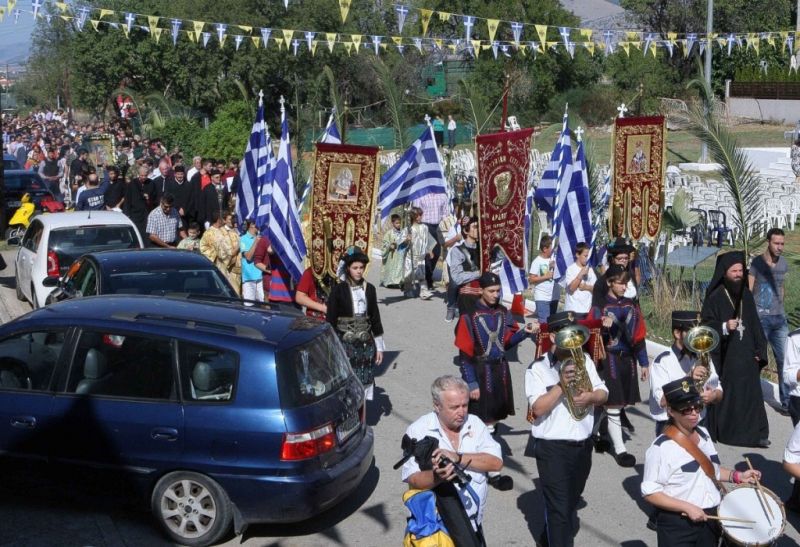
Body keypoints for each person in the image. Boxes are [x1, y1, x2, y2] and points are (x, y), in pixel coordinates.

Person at [641, 378, 762, 547]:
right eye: (686, 410)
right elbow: (650, 492)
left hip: (710, 520)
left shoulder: (704, 434)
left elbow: (711, 470)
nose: (694, 413)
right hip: (678, 524)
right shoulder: (661, 448)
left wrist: (737, 476)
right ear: (671, 411)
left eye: (697, 407)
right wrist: (687, 507)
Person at [526, 311, 609, 547]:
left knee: (568, 505)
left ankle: (548, 536)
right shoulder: (538, 368)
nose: (573, 341)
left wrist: (592, 396)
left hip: (582, 446)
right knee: (560, 511)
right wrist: (562, 384)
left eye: (575, 334)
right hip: (553, 449)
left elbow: (604, 393)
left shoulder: (585, 361)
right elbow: (538, 409)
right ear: (552, 337)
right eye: (566, 335)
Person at [401, 375, 503, 546]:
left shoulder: (475, 424)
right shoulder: (418, 430)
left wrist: (459, 458)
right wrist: (437, 477)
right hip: (439, 530)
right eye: (454, 407)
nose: (462, 412)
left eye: (465, 405)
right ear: (437, 406)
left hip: (473, 525)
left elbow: (496, 463)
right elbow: (412, 479)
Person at [701, 251, 769, 447]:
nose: (739, 274)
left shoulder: (745, 294)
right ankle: (730, 434)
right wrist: (723, 326)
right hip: (727, 355)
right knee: (732, 395)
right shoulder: (715, 297)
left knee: (751, 395)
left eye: (741, 270)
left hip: (747, 355)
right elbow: (705, 327)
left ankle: (757, 435)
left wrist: (760, 351)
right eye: (734, 271)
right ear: (724, 273)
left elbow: (755, 324)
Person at [454, 271, 538, 431]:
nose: (496, 294)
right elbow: (464, 355)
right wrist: (471, 383)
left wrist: (524, 332)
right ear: (481, 291)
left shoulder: (503, 312)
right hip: (479, 373)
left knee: (494, 421)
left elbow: (505, 344)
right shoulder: (468, 316)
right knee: (478, 422)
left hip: (500, 371)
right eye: (491, 291)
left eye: (498, 290)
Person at [589, 265, 649, 467]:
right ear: (609, 283)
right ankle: (621, 450)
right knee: (613, 404)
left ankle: (592, 434)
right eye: (621, 283)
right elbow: (591, 339)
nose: (625, 287)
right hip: (609, 360)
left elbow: (639, 337)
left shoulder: (632, 307)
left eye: (627, 283)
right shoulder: (599, 308)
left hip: (628, 360)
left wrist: (644, 363)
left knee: (613, 403)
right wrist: (601, 328)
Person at [650, 311, 723, 436]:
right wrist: (689, 378)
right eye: (692, 333)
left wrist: (713, 396)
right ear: (677, 333)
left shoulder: (703, 357)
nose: (698, 338)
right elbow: (662, 402)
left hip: (699, 422)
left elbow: (719, 391)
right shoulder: (662, 361)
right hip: (671, 425)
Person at [326, 247, 384, 400]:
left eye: (361, 268)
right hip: (345, 342)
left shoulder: (370, 289)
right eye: (355, 268)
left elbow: (375, 317)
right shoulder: (338, 290)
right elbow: (331, 318)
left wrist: (379, 346)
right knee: (345, 379)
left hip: (365, 344)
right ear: (348, 269)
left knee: (364, 379)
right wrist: (330, 345)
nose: (359, 271)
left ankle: (362, 417)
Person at [749, 227, 789, 414]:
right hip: (760, 319)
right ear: (768, 242)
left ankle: (787, 402)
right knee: (757, 359)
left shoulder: (783, 264)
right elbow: (749, 290)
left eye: (782, 243)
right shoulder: (757, 263)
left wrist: (780, 307)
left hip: (779, 320)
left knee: (785, 360)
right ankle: (751, 396)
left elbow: (781, 287)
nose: (780, 247)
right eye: (776, 243)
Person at [411, 192, 449, 295]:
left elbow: (446, 213)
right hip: (424, 225)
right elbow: (415, 211)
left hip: (438, 227)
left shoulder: (443, 195)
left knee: (436, 253)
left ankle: (428, 275)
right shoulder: (421, 194)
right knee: (427, 254)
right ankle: (427, 280)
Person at [447, 216, 481, 316]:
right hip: (468, 289)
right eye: (475, 227)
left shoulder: (484, 248)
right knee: (453, 283)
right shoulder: (457, 250)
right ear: (466, 231)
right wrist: (479, 273)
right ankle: (451, 306)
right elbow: (458, 278)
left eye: (479, 226)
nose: (478, 229)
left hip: (482, 289)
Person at [591, 238, 637, 308]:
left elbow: (636, 304)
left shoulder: (631, 276)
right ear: (613, 259)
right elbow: (597, 309)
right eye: (620, 258)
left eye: (626, 258)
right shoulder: (603, 281)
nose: (623, 261)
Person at [404, 207, 437, 299]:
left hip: (421, 257)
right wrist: (407, 240)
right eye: (417, 216)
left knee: (422, 276)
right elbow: (401, 242)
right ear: (413, 216)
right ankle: (407, 289)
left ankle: (424, 292)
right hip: (411, 257)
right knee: (408, 276)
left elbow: (427, 240)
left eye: (420, 215)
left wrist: (429, 250)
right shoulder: (408, 229)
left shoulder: (425, 227)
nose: (419, 217)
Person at [528, 234, 560, 323]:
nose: (553, 250)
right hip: (542, 297)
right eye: (551, 247)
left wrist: (556, 267)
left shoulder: (555, 259)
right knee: (544, 324)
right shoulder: (537, 262)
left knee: (552, 324)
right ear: (545, 249)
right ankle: (542, 337)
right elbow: (531, 279)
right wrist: (546, 276)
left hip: (554, 296)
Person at [200, 210, 235, 282]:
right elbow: (203, 248)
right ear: (219, 220)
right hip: (217, 262)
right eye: (222, 218)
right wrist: (215, 253)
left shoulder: (225, 230)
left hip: (231, 262)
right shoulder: (208, 233)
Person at [563, 242, 596, 314]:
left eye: (588, 256)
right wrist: (580, 275)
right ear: (578, 255)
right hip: (572, 310)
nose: (587, 258)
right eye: (585, 256)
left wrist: (586, 287)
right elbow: (571, 288)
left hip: (586, 310)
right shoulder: (571, 269)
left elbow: (597, 289)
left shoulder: (590, 270)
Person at [380, 214, 409, 288]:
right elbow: (384, 243)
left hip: (400, 254)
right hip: (392, 254)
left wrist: (406, 241)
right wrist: (390, 246)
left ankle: (398, 282)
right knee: (391, 268)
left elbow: (405, 243)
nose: (398, 225)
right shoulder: (389, 233)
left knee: (399, 268)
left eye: (399, 223)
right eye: (397, 223)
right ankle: (390, 282)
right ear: (392, 223)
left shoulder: (403, 233)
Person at [240, 220, 264, 303]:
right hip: (249, 278)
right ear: (252, 225)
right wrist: (256, 242)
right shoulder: (243, 239)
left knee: (263, 306)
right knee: (249, 306)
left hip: (261, 277)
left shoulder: (261, 237)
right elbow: (248, 257)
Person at [221, 211, 241, 295]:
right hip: (230, 268)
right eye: (230, 219)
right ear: (224, 220)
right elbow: (228, 252)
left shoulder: (238, 231)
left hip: (242, 267)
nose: (232, 221)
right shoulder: (222, 232)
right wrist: (240, 244)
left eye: (233, 219)